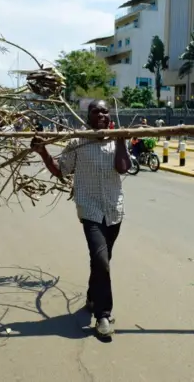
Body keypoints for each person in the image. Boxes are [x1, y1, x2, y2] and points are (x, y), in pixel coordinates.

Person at [31, 99, 131, 337]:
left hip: (114, 210)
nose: (101, 115)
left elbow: (123, 167)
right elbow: (61, 171)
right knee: (101, 261)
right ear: (88, 116)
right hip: (90, 210)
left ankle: (92, 298)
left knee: (101, 261)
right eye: (96, 111)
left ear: (110, 116)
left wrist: (120, 140)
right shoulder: (77, 142)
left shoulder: (116, 140)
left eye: (105, 111)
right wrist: (43, 150)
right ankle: (103, 315)